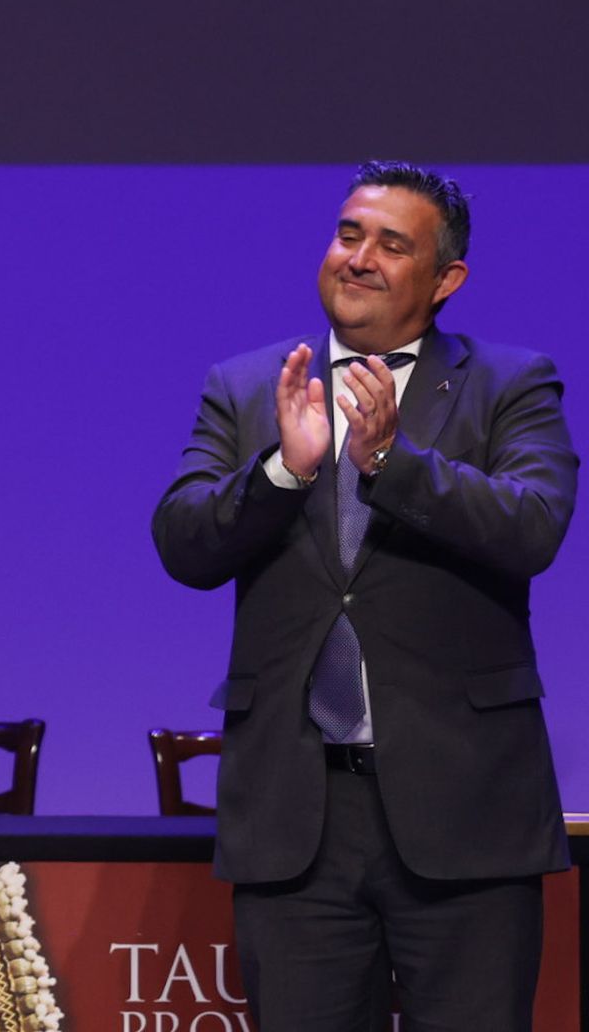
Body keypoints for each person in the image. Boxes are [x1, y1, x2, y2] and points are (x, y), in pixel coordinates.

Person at [152, 161, 576, 1030]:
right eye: (349, 235)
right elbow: (184, 543)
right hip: (298, 819)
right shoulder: (247, 387)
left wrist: (392, 462)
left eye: (392, 244)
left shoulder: (512, 384)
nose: (360, 258)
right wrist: (282, 469)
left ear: (446, 278)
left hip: (465, 816)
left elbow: (533, 528)